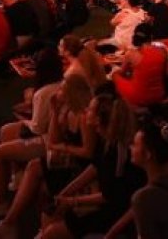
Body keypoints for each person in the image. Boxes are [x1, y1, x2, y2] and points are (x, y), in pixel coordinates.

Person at [0, 75, 96, 234]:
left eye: (62, 88)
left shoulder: (83, 116)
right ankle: (9, 223)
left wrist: (64, 147)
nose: (58, 91)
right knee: (34, 166)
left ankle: (8, 221)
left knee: (37, 172)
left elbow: (88, 152)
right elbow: (54, 139)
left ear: (72, 93)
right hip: (68, 158)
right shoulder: (67, 110)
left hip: (81, 166)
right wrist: (55, 111)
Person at [38, 93, 145, 239]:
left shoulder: (116, 151)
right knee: (50, 211)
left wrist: (72, 201)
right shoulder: (104, 138)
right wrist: (65, 193)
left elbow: (109, 196)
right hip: (108, 197)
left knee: (52, 232)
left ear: (99, 119)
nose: (86, 110)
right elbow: (94, 168)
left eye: (90, 109)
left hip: (117, 210)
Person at [0, 48, 64, 219]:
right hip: (47, 131)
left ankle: (1, 202)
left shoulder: (44, 92)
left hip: (48, 139)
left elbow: (37, 128)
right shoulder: (60, 83)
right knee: (6, 130)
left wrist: (23, 120)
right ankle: (16, 177)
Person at [113, 26, 168, 107]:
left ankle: (119, 108)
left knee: (115, 75)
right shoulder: (163, 52)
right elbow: (165, 73)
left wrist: (114, 68)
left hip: (140, 96)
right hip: (159, 94)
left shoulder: (131, 54)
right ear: (151, 37)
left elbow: (122, 72)